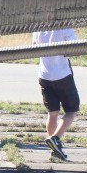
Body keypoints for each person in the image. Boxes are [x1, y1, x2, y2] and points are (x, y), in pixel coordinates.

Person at [33, 29, 80, 162]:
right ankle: (56, 138)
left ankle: (54, 151)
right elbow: (73, 48)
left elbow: (34, 45)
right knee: (72, 110)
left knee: (52, 113)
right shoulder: (66, 27)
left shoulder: (38, 28)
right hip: (62, 74)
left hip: (44, 75)